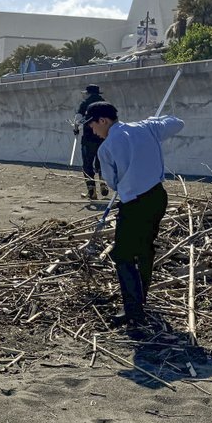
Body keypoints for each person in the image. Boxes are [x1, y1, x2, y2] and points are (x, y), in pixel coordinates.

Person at [85, 101, 184, 332]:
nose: (92, 130)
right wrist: (152, 122)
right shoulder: (146, 128)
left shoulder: (106, 148)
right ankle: (140, 301)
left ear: (103, 120)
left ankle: (133, 310)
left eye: (92, 124)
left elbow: (113, 182)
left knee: (123, 255)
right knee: (145, 249)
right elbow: (177, 123)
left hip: (135, 204)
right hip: (158, 197)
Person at [74, 85, 109, 200]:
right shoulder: (105, 105)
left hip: (88, 139)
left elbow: (78, 119)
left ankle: (92, 191)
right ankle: (103, 182)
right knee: (102, 162)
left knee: (88, 164)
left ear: (88, 93)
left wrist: (76, 128)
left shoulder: (85, 104)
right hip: (103, 138)